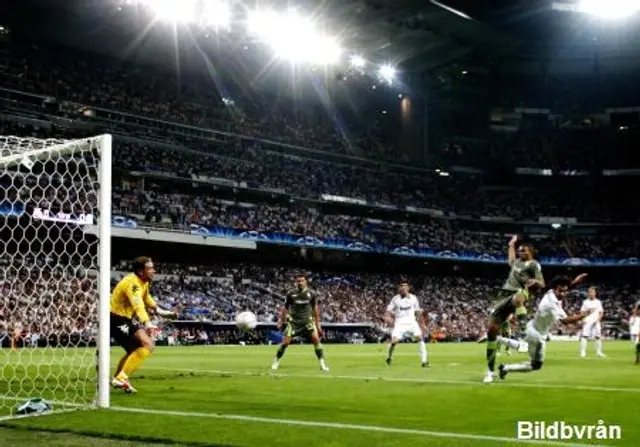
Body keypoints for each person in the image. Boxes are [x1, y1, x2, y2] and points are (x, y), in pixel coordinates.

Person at [497, 275, 591, 380]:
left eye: (565, 291)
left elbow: (563, 288)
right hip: (536, 335)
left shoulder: (551, 292)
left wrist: (575, 282)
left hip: (532, 327)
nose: (563, 294)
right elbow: (565, 321)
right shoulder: (552, 303)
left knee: (524, 348)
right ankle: (504, 365)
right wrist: (583, 315)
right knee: (536, 364)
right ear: (555, 289)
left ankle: (499, 342)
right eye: (560, 291)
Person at [483, 236, 547, 384]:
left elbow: (542, 283)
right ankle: (490, 371)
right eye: (519, 251)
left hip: (519, 293)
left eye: (523, 250)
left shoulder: (533, 265)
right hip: (503, 296)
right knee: (491, 331)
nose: (520, 253)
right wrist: (511, 244)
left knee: (518, 298)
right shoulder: (516, 262)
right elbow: (511, 258)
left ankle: (523, 332)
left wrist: (534, 281)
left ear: (530, 251)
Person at [110, 257, 175, 393]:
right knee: (147, 344)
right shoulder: (132, 283)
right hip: (115, 317)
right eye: (150, 268)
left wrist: (161, 311)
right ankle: (122, 377)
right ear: (140, 271)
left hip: (124, 318)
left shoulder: (143, 282)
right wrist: (147, 323)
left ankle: (118, 378)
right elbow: (138, 304)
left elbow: (146, 298)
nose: (154, 271)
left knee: (135, 349)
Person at [271, 274, 329, 372]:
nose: (300, 283)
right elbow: (285, 308)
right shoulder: (291, 293)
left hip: (307, 321)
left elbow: (315, 310)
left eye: (302, 281)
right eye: (298, 281)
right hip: (294, 322)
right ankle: (276, 361)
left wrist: (318, 324)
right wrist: (281, 321)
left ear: (306, 282)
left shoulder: (312, 293)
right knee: (285, 343)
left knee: (316, 339)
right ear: (295, 282)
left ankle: (322, 364)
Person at [384, 281, 429, 367]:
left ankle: (424, 361)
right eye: (401, 286)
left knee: (420, 338)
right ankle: (389, 357)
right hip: (400, 324)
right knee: (394, 342)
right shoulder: (395, 299)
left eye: (405, 286)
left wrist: (423, 324)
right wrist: (387, 317)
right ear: (399, 288)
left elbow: (418, 312)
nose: (403, 287)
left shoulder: (413, 298)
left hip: (412, 323)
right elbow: (388, 311)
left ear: (408, 288)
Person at [579, 287, 605, 358]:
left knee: (598, 336)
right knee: (585, 336)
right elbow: (581, 312)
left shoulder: (598, 302)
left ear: (595, 293)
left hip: (596, 321)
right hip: (587, 321)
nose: (592, 294)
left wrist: (598, 320)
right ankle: (583, 352)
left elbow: (601, 312)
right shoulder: (585, 302)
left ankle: (599, 352)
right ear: (588, 293)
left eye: (593, 292)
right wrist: (585, 313)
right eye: (590, 292)